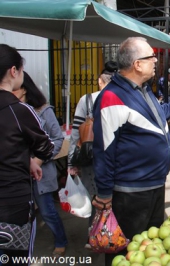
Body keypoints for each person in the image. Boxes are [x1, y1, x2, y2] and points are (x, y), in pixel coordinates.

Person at [91, 37, 170, 266]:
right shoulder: (112, 97)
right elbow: (103, 151)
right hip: (131, 193)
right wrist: (104, 194)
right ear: (137, 64)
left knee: (149, 251)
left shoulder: (143, 90)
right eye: (151, 57)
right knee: (126, 253)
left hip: (154, 186)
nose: (156, 60)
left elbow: (158, 113)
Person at [0, 44, 54, 264]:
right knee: (15, 260)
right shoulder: (19, 111)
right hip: (12, 205)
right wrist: (30, 159)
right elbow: (46, 147)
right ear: (14, 71)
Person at [12, 71, 67, 257]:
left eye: (13, 90)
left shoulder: (44, 110)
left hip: (41, 172)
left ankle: (61, 241)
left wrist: (39, 159)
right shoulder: (10, 111)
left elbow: (57, 139)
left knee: (47, 211)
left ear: (24, 90)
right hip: (17, 173)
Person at [67, 61, 117, 249]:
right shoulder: (119, 98)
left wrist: (72, 161)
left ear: (99, 81)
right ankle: (112, 233)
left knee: (93, 197)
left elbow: (75, 135)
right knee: (111, 197)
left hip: (90, 159)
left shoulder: (86, 100)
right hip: (113, 159)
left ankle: (94, 237)